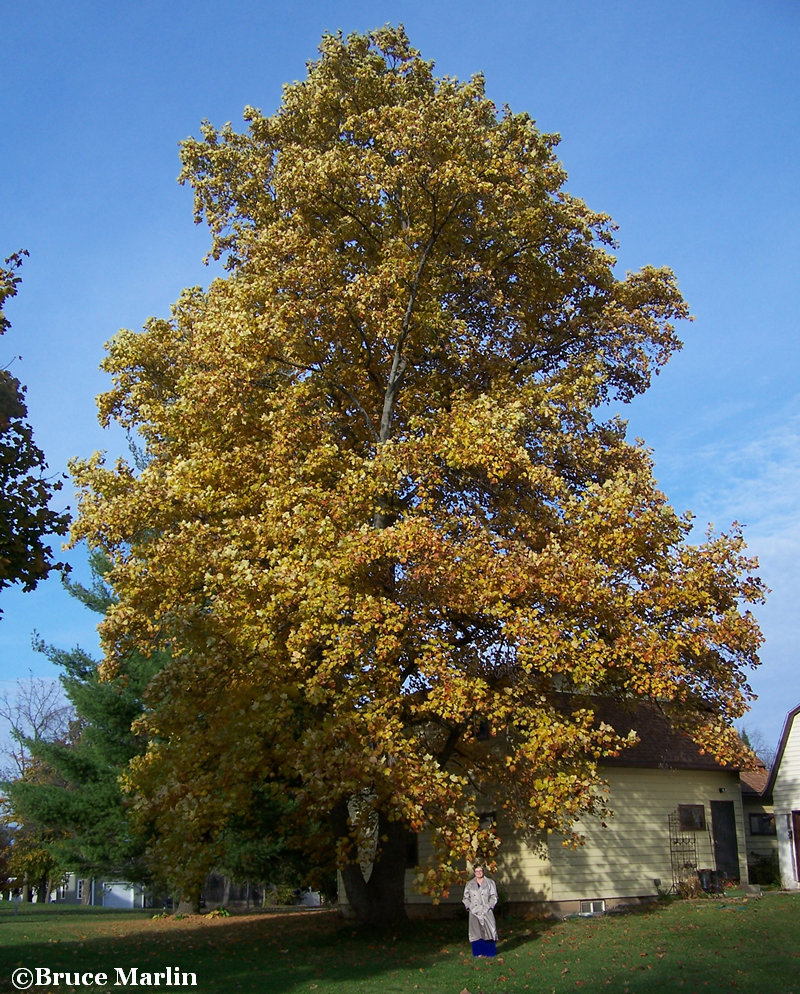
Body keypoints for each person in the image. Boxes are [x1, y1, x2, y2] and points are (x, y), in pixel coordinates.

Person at [462, 863, 498, 957]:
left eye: (480, 871)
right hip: (474, 911)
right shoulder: (469, 884)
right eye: (477, 871)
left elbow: (494, 897)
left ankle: (490, 953)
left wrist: (488, 906)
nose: (479, 873)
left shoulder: (490, 882)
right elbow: (465, 898)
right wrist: (471, 907)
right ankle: (478, 953)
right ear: (474, 872)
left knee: (489, 931)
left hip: (486, 910)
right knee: (476, 933)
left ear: (483, 871)